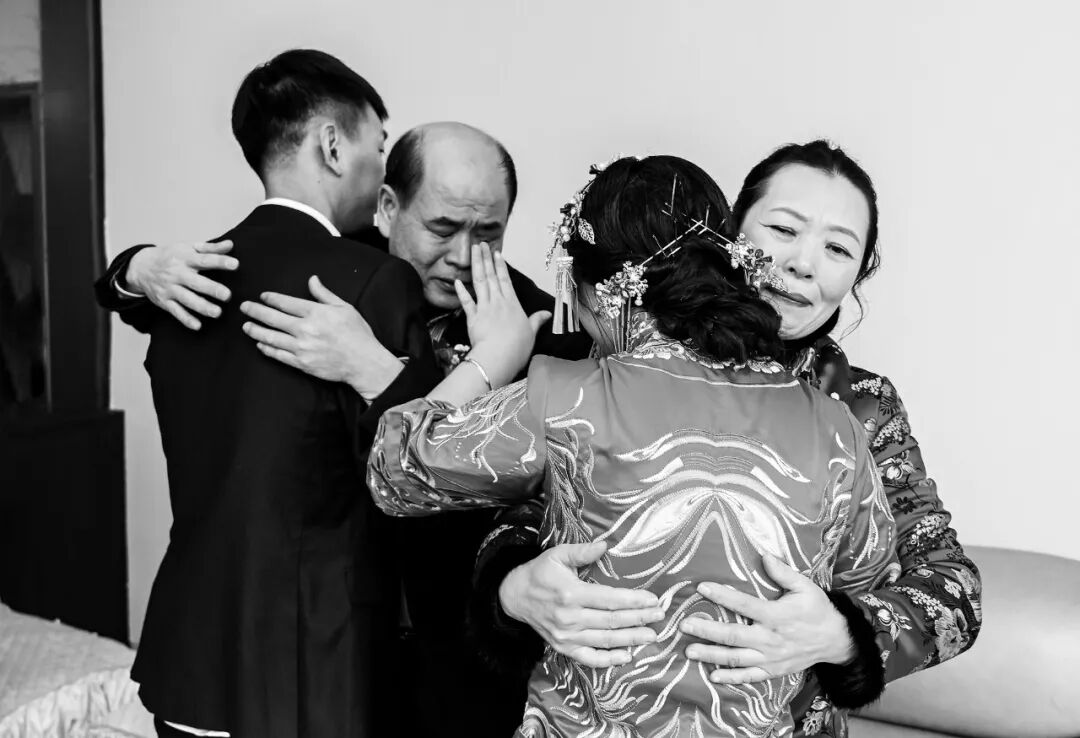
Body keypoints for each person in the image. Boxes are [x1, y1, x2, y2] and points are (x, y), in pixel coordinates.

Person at [366, 154, 899, 737]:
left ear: (597, 292)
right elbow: (868, 573)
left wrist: (493, 357)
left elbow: (394, 468)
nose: (801, 263)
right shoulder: (838, 426)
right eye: (785, 229)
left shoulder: (566, 395)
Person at [94, 121, 597, 736]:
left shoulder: (531, 322)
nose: (465, 256)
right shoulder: (329, 272)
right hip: (336, 640)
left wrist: (382, 372)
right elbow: (196, 304)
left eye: (488, 232)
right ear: (388, 207)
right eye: (442, 229)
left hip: (460, 645)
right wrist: (137, 268)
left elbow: (542, 494)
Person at [476, 141, 983, 736]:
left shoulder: (859, 405)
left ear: (857, 276)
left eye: (838, 248)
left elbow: (955, 586)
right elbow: (526, 508)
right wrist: (512, 586)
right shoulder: (617, 358)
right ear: (726, 236)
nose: (803, 264)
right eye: (784, 230)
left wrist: (843, 634)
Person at [102, 49, 444, 738]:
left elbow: (123, 296)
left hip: (191, 656)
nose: (383, 174)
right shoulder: (375, 282)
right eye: (378, 147)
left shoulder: (183, 276)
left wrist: (130, 269)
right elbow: (422, 465)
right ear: (332, 145)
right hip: (314, 660)